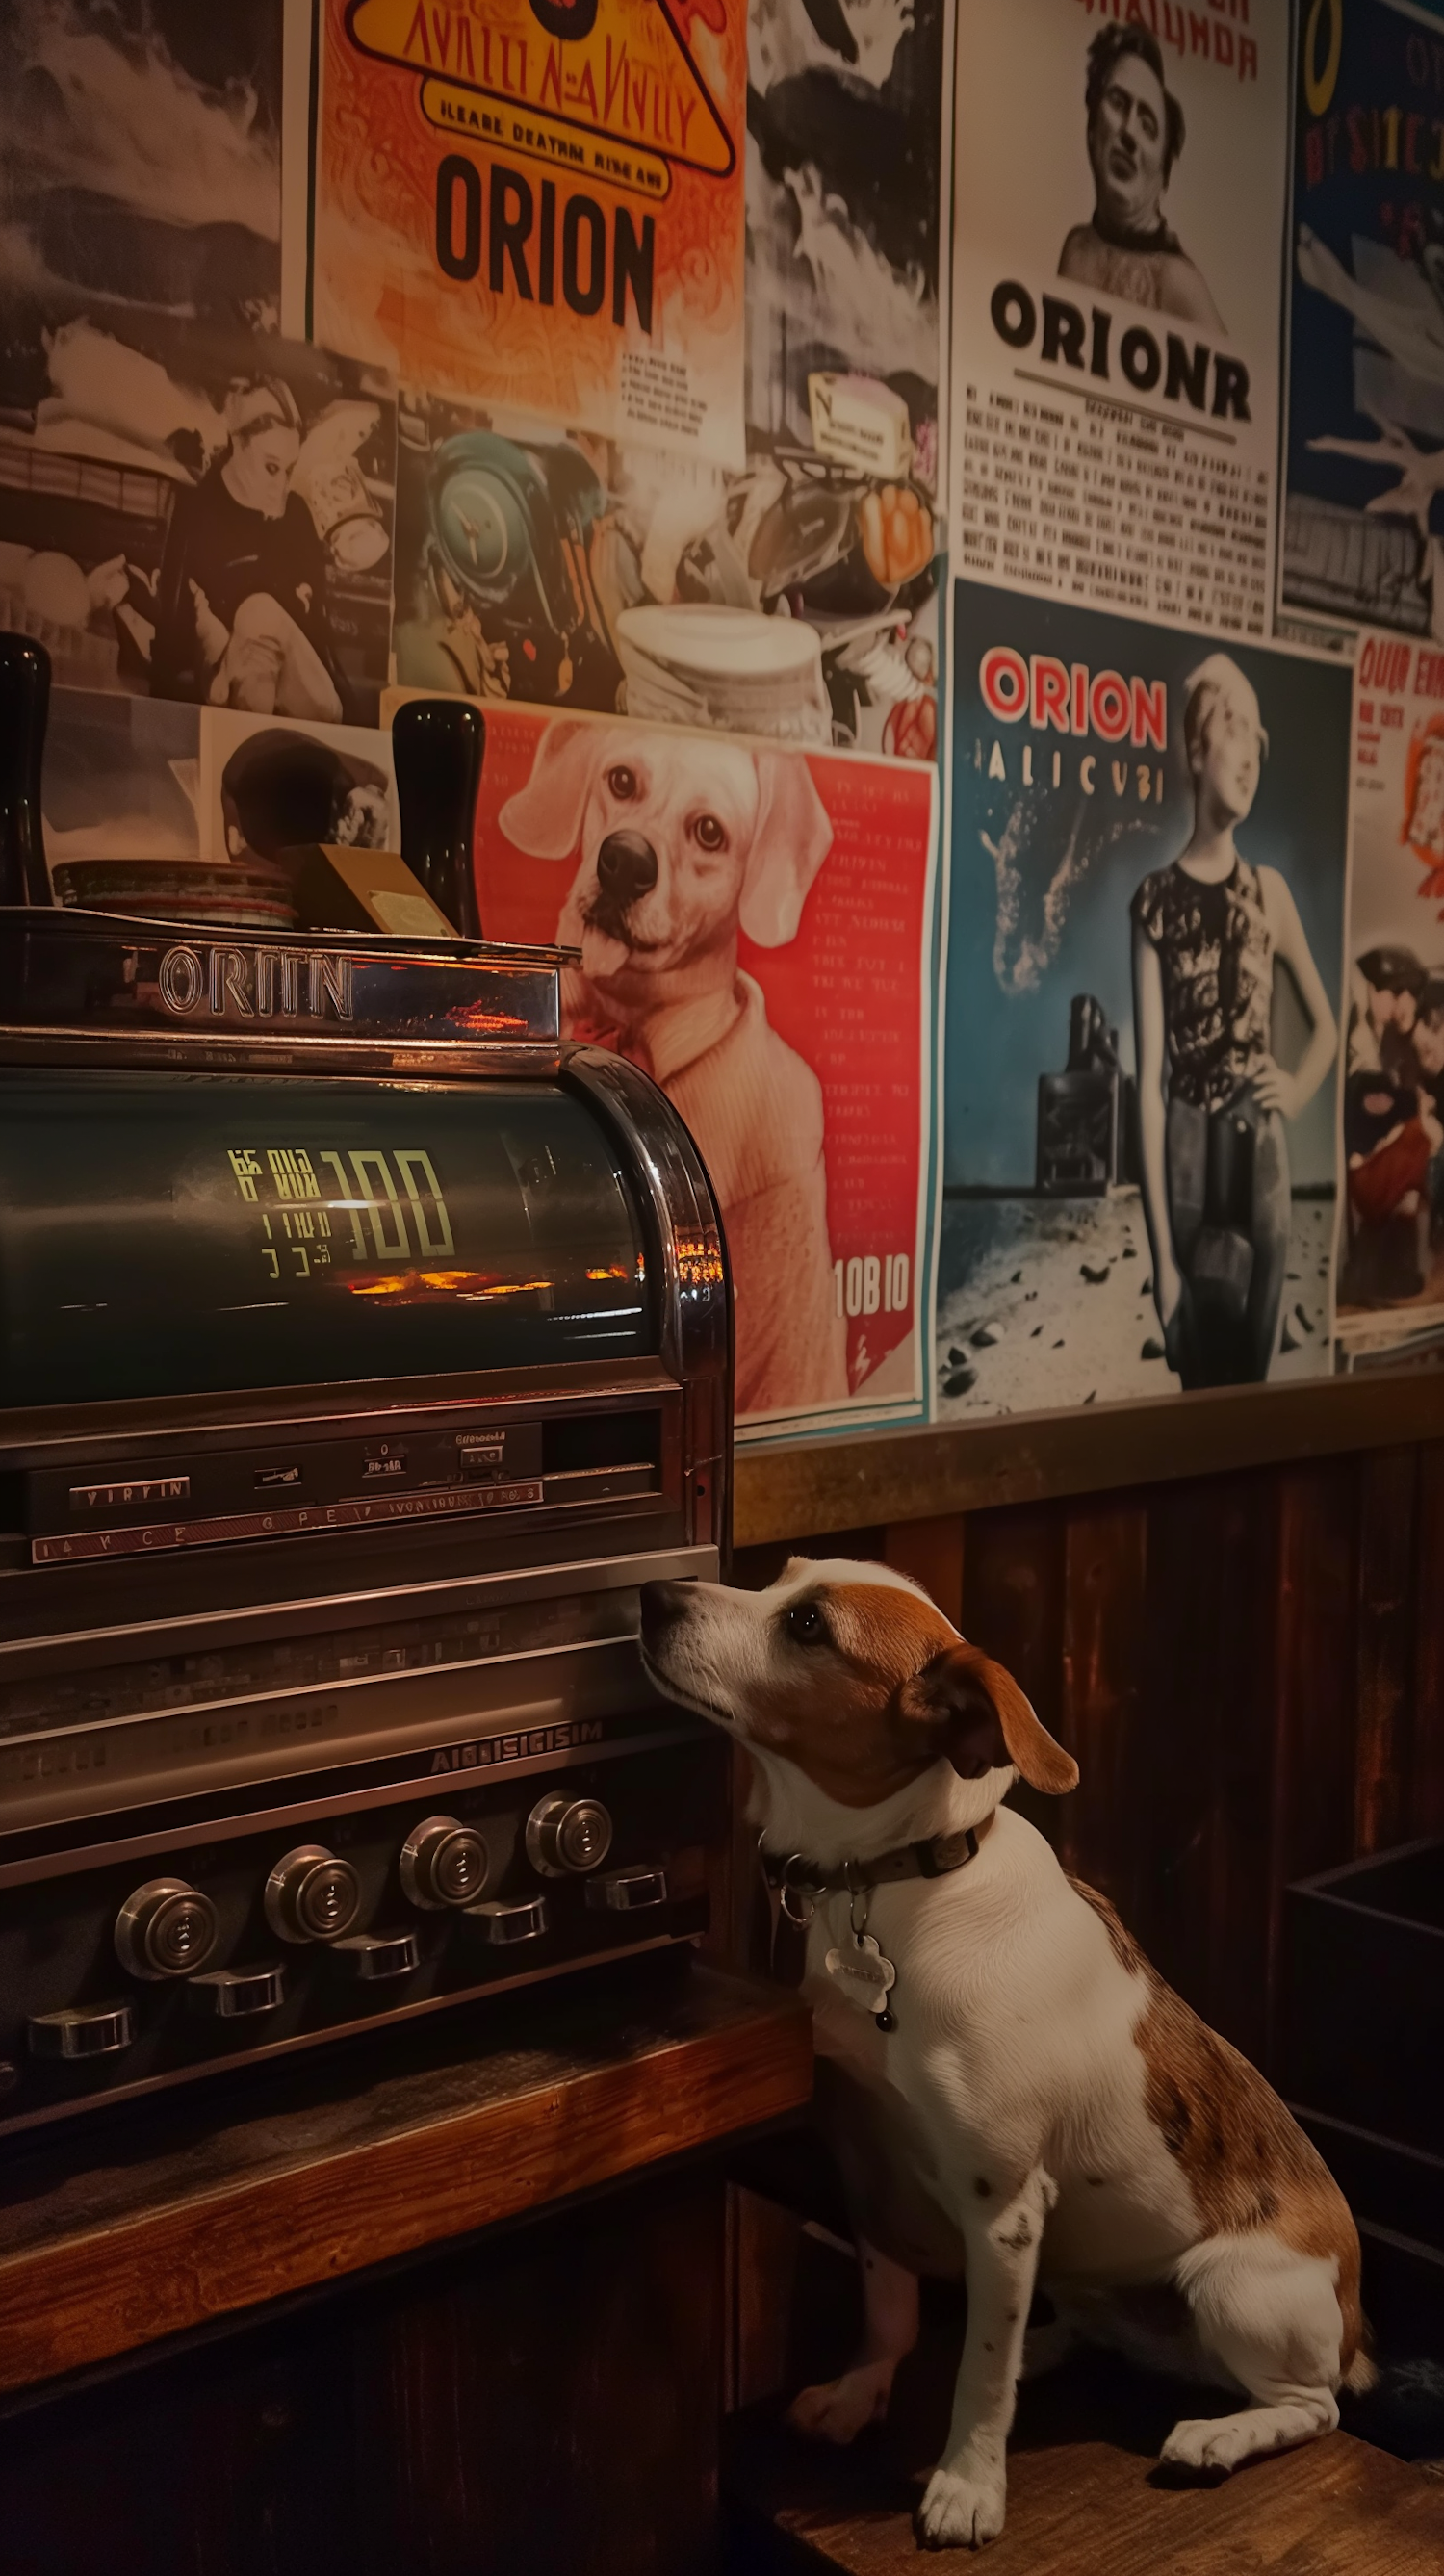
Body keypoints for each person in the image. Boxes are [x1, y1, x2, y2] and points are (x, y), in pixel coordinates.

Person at [1131, 655, 1337, 1386]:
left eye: (1257, 735)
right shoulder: (1153, 901)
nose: (1248, 752)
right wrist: (1162, 1263)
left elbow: (1328, 1028)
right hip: (1187, 1144)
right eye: (1232, 728)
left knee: (1254, 1382)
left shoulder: (1271, 894)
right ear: (1196, 749)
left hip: (1264, 1158)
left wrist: (1296, 1086)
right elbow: (1151, 1087)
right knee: (1195, 1378)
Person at [150, 377, 348, 719]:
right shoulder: (196, 509)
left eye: (289, 470)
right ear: (238, 443)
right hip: (223, 692)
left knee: (258, 614)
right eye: (272, 468)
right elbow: (173, 636)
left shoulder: (298, 516)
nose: (281, 487)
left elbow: (320, 635)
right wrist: (218, 652)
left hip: (305, 701)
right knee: (252, 629)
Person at [1058, 27, 1223, 331]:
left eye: (1148, 126)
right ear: (1092, 129)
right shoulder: (1075, 249)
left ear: (1163, 176)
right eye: (1118, 103)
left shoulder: (1179, 283)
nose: (1129, 133)